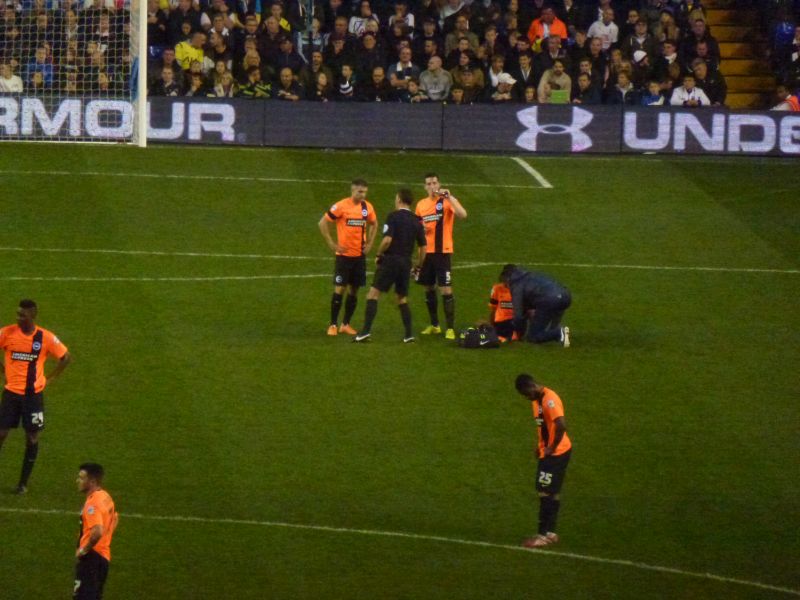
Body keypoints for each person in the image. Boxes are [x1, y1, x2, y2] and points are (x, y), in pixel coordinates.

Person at [0, 299, 71, 494]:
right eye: (17, 314)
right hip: (11, 394)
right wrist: (3, 370)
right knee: (1, 434)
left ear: (32, 315)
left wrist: (50, 379)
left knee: (32, 437)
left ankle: (22, 483)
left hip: (33, 397)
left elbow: (65, 358)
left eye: (22, 315)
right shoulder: (7, 333)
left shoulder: (45, 337)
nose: (18, 317)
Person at [354, 189, 427, 343]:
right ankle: (409, 335)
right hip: (405, 263)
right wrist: (418, 265)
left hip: (391, 261)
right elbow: (423, 248)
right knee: (402, 298)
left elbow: (387, 240)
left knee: (373, 294)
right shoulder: (417, 221)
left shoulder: (393, 216)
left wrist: (379, 254)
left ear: (399, 200)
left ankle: (365, 332)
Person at [515, 374, 572, 549]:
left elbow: (561, 424)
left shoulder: (549, 400)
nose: (526, 398)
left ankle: (541, 535)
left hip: (555, 454)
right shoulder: (537, 401)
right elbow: (545, 427)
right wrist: (539, 445)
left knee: (544, 491)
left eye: (526, 394)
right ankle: (551, 533)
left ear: (530, 387)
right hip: (555, 452)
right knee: (552, 492)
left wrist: (551, 447)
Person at [319, 179, 378, 336]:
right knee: (340, 289)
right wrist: (332, 244)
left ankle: (345, 324)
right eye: (360, 192)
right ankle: (333, 324)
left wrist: (370, 243)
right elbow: (322, 223)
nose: (363, 195)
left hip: (359, 257)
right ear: (352, 191)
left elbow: (374, 223)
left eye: (365, 192)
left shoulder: (367, 207)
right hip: (344, 257)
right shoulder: (341, 206)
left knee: (354, 290)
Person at [415, 173, 468, 340]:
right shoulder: (421, 205)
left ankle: (450, 328)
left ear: (439, 184)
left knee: (445, 289)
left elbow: (462, 215)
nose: (432, 186)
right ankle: (434, 325)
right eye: (429, 183)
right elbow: (418, 227)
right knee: (428, 288)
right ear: (425, 187)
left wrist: (450, 197)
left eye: (434, 183)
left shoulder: (446, 201)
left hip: (442, 252)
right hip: (426, 253)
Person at [75, 463, 118, 600]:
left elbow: (97, 531)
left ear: (92, 481)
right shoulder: (105, 496)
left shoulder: (92, 504)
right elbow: (115, 518)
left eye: (82, 478)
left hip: (91, 558)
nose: (78, 481)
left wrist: (83, 550)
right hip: (103, 558)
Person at [500, 265, 571, 346]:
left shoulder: (517, 286)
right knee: (548, 323)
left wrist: (518, 333)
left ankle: (559, 333)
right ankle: (558, 332)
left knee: (533, 336)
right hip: (566, 296)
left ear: (507, 279)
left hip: (550, 300)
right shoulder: (531, 275)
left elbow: (518, 316)